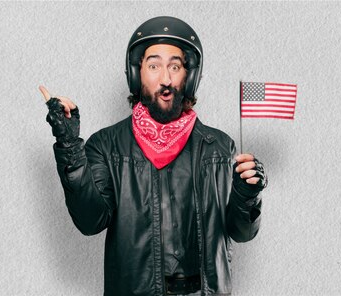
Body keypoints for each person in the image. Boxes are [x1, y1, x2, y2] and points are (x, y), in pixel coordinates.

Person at [40, 16, 267, 296]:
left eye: (175, 66)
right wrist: (69, 145)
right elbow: (90, 222)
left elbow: (242, 232)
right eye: (154, 65)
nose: (166, 79)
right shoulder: (106, 146)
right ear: (137, 73)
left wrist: (248, 193)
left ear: (190, 75)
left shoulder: (220, 147)